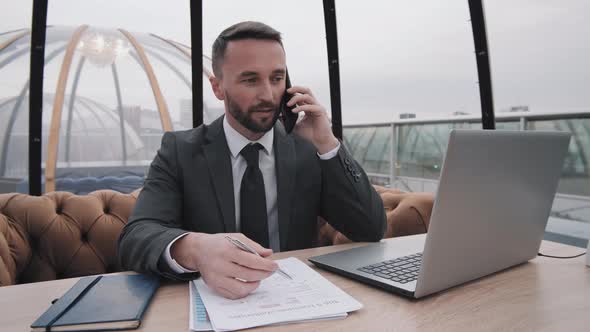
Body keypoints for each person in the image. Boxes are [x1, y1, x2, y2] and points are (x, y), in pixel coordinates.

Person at [118, 21, 386, 299]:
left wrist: (328, 143)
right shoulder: (179, 151)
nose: (268, 96)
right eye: (250, 80)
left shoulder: (308, 149)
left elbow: (370, 229)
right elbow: (136, 237)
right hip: (215, 301)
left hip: (299, 301)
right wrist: (195, 249)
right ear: (217, 87)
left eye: (277, 78)